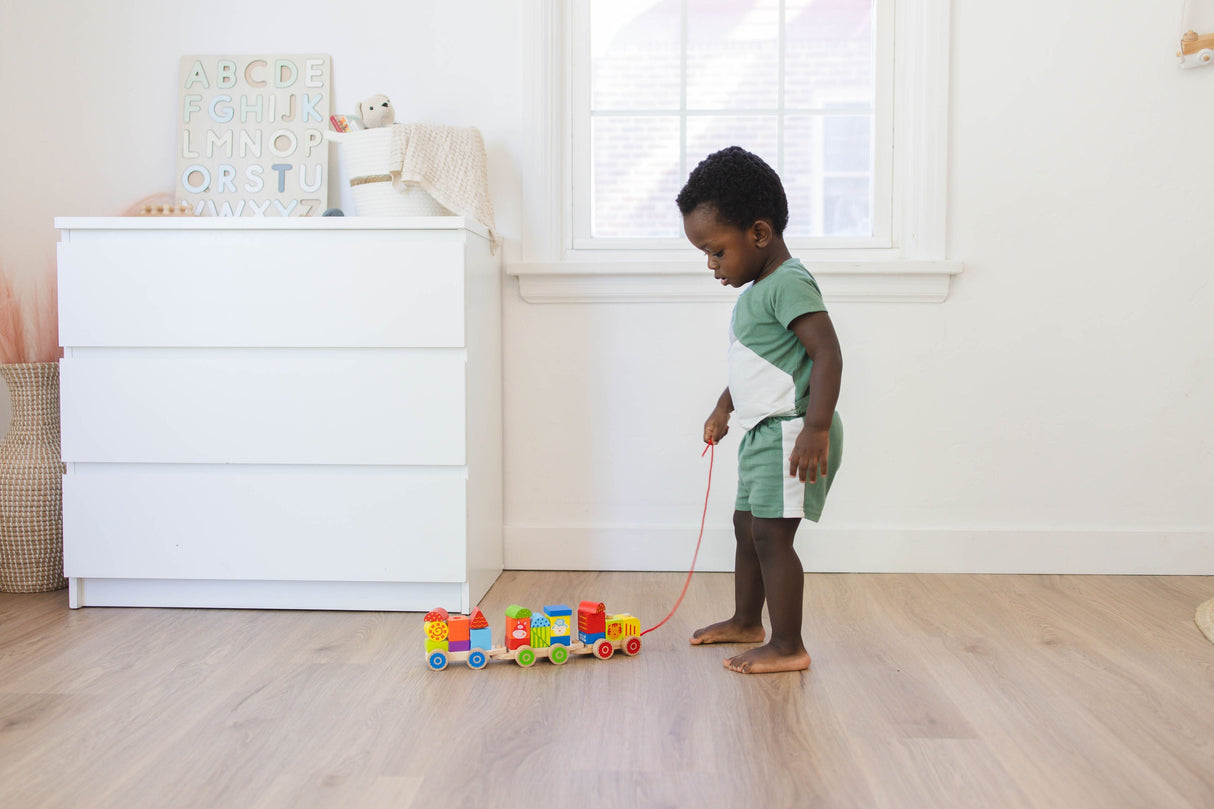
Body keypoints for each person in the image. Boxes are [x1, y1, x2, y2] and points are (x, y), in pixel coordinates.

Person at [676, 146, 844, 674]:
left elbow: (827, 353)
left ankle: (788, 645)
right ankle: (747, 620)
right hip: (761, 433)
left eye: (717, 250)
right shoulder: (758, 292)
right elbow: (756, 363)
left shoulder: (789, 281)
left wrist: (815, 427)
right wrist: (724, 407)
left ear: (759, 233)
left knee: (772, 535)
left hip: (792, 431)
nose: (711, 264)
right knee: (746, 524)